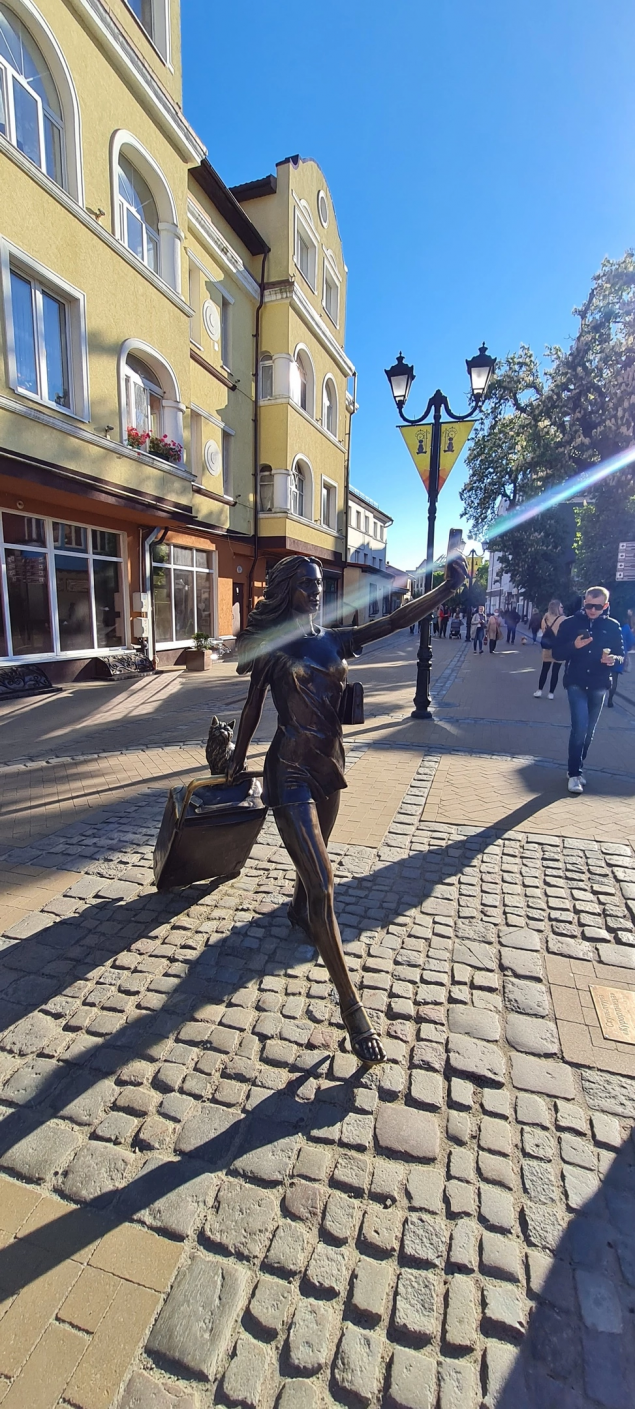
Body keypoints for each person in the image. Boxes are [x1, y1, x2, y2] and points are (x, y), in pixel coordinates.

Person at [228, 551, 467, 1065]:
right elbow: (252, 705)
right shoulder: (272, 647)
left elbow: (395, 621)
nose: (316, 592)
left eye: (319, 584)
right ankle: (353, 1008)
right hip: (288, 771)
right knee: (324, 884)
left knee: (313, 871)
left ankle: (298, 911)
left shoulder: (335, 639)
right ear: (286, 591)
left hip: (329, 768)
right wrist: (236, 760)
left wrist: (447, 591)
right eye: (306, 584)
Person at [551, 585, 624, 793]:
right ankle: (574, 773)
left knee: (589, 732)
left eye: (597, 607)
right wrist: (573, 646)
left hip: (599, 684)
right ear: (584, 602)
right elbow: (556, 653)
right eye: (589, 605)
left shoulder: (612, 626)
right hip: (576, 682)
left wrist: (613, 659)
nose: (592, 610)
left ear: (605, 606)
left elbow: (621, 655)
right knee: (580, 728)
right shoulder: (570, 623)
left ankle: (577, 766)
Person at [534, 599, 565, 698]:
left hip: (547, 647)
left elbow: (543, 630)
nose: (562, 608)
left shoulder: (545, 618)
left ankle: (539, 690)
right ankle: (551, 693)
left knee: (544, 670)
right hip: (559, 649)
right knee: (555, 672)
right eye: (561, 607)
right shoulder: (563, 619)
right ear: (557, 608)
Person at [608, 614, 635, 706]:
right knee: (614, 678)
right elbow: (631, 641)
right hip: (619, 655)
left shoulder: (608, 624)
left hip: (605, 653)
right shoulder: (626, 628)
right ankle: (610, 700)